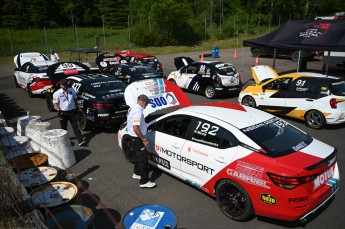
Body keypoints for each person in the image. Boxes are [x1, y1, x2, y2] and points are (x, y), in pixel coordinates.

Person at [127, 94, 156, 188]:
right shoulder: (138, 111)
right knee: (143, 160)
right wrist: (143, 139)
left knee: (138, 157)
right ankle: (144, 181)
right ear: (142, 101)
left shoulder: (133, 108)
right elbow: (136, 127)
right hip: (137, 139)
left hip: (133, 138)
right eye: (146, 103)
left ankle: (136, 173)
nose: (147, 105)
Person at [53, 78, 86, 146]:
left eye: (66, 84)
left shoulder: (72, 90)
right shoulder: (57, 93)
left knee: (75, 126)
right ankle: (65, 142)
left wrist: (76, 107)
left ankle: (80, 141)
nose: (65, 86)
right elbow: (55, 104)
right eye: (63, 85)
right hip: (63, 113)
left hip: (71, 112)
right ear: (60, 85)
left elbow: (75, 98)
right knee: (64, 128)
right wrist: (59, 110)